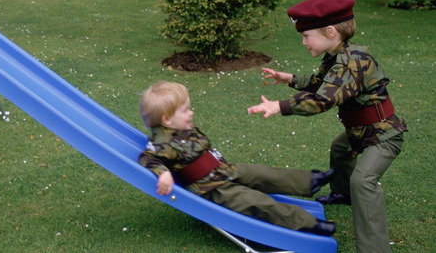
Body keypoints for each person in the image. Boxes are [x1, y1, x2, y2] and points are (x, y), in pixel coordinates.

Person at [247, 0, 407, 253]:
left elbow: (322, 100)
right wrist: (289, 78)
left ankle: (374, 249)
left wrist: (279, 106)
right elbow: (319, 82)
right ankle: (343, 195)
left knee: (363, 182)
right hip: (360, 131)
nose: (303, 42)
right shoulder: (339, 56)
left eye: (306, 35)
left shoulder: (350, 62)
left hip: (384, 134)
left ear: (330, 32)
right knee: (341, 149)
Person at [138, 81, 336, 236]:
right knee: (258, 203)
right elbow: (149, 158)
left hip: (224, 170)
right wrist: (163, 175)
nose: (191, 112)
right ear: (166, 119)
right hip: (213, 189)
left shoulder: (179, 127)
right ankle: (312, 225)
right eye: (185, 110)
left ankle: (312, 180)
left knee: (264, 173)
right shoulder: (161, 141)